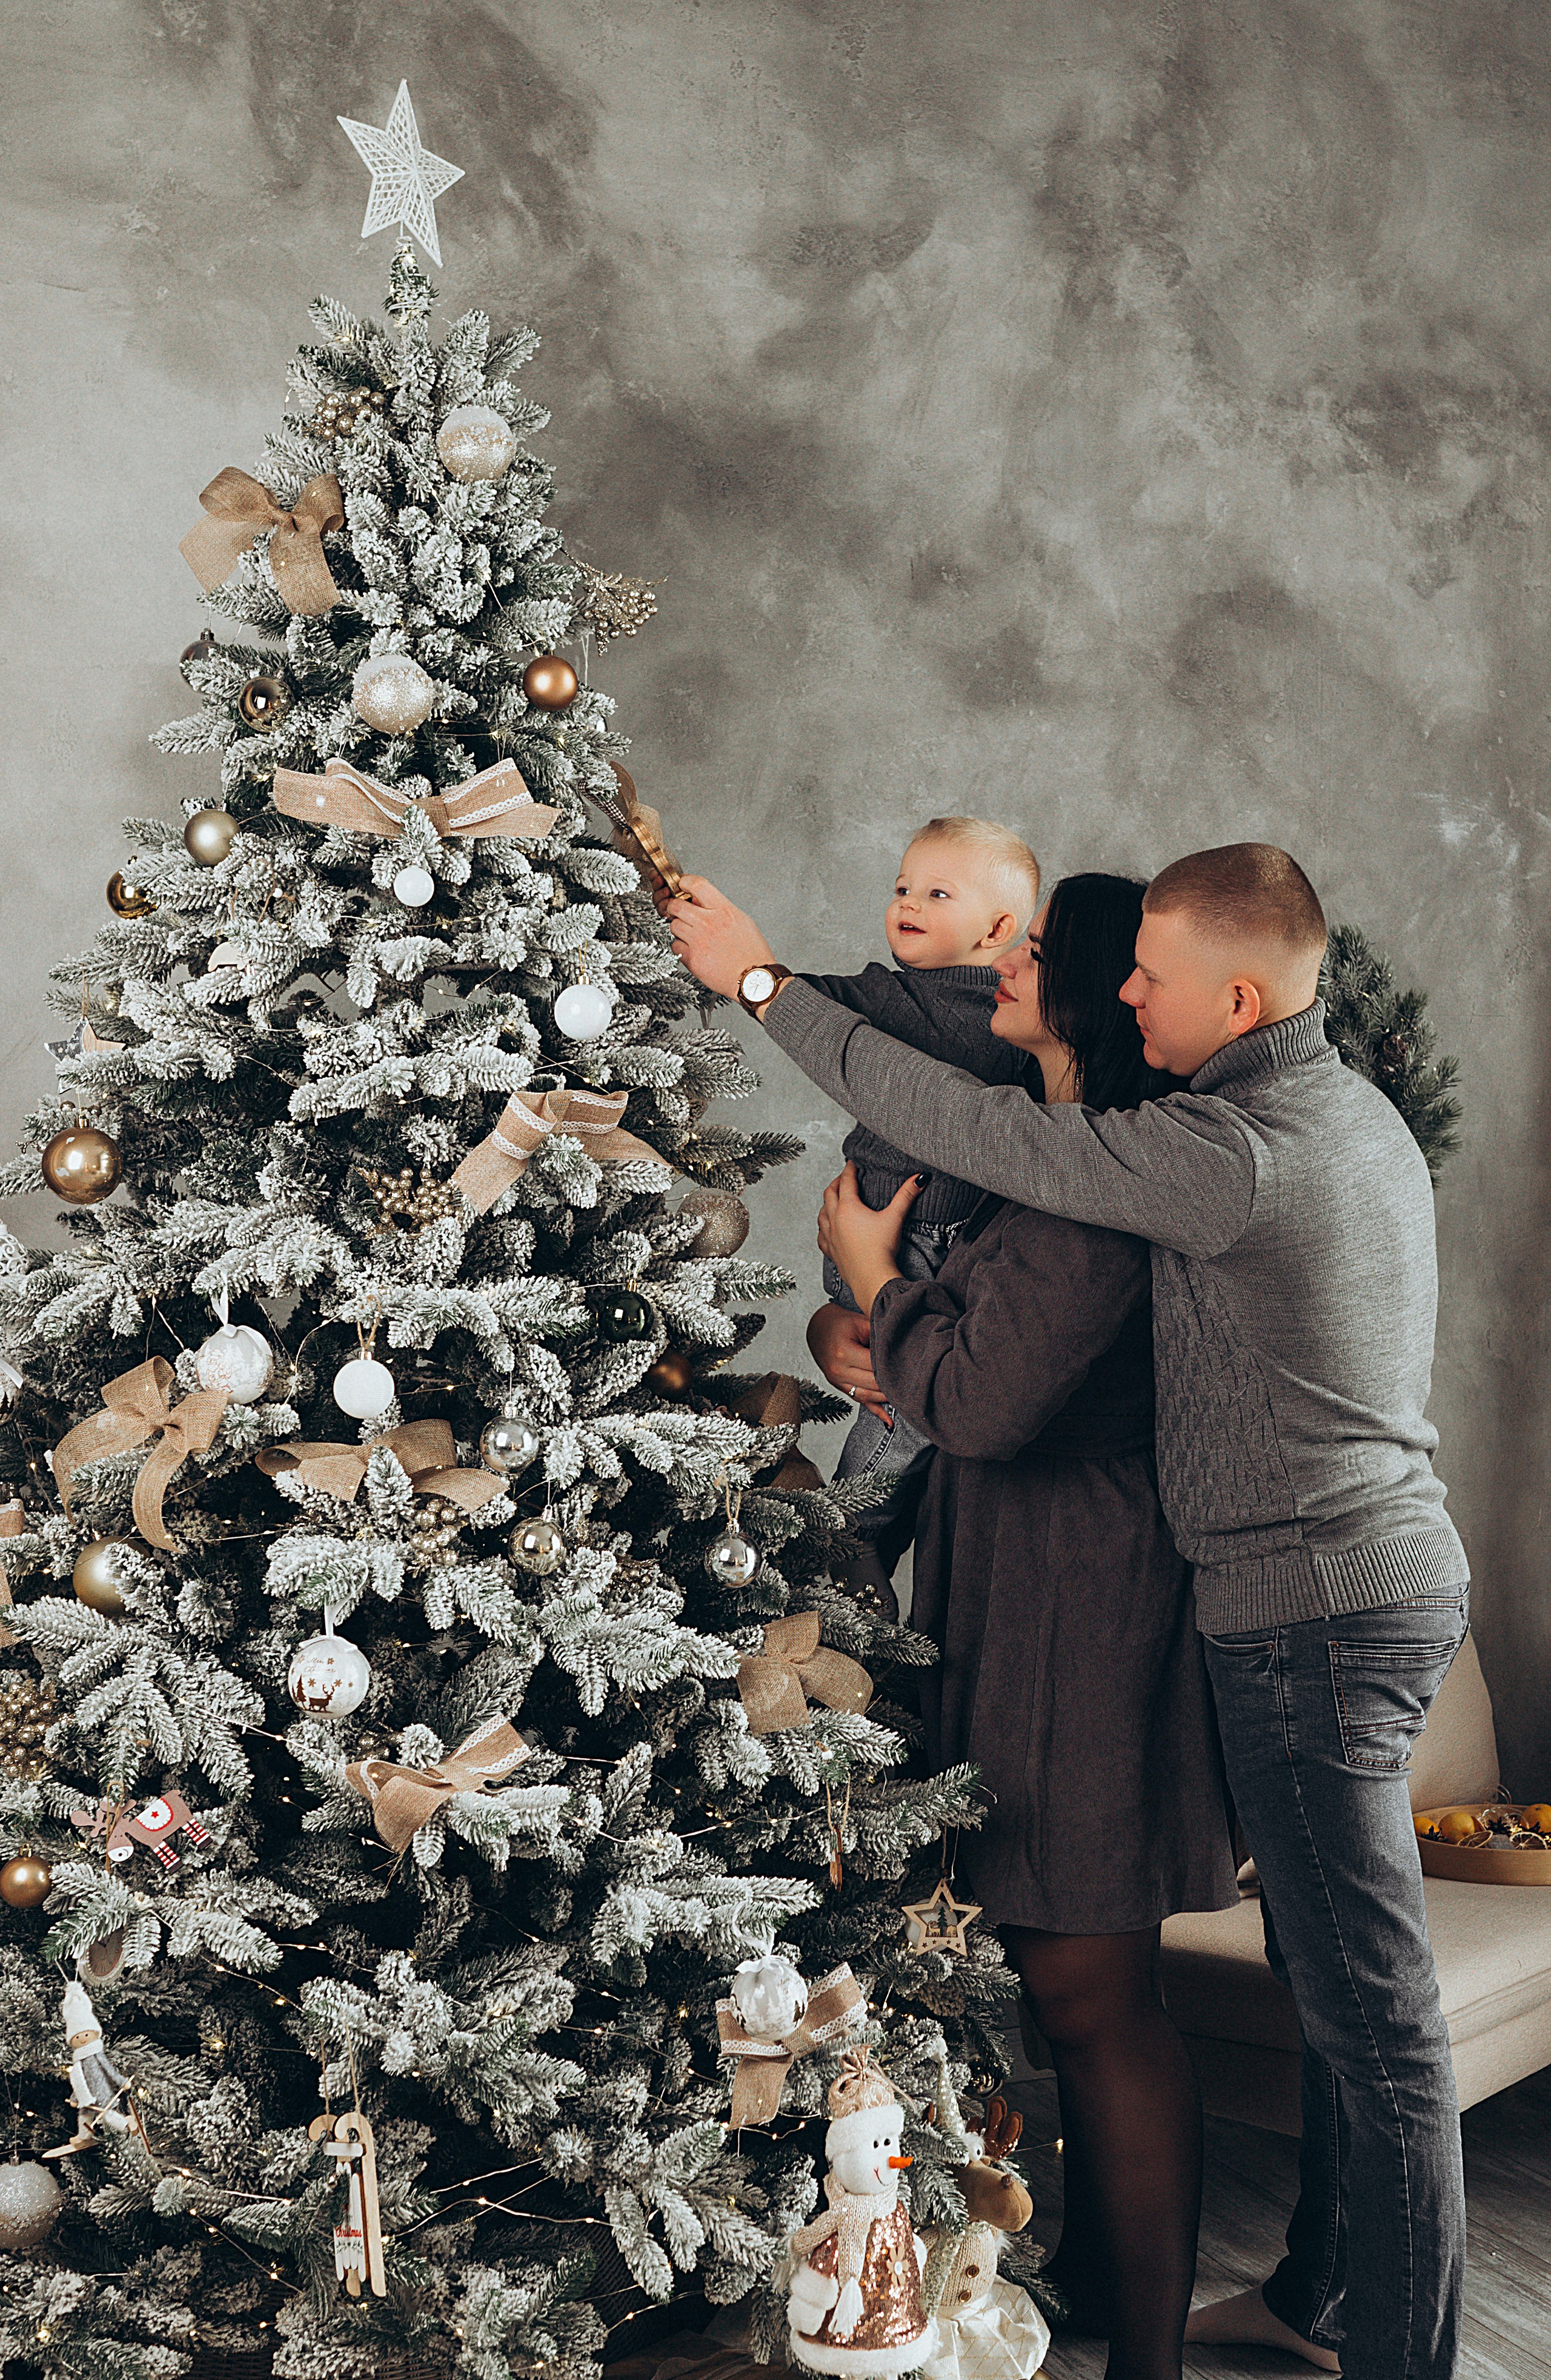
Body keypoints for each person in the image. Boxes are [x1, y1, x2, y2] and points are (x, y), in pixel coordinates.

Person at [666, 845, 1470, 2380]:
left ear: (1236, 997)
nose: (1119, 992)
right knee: (1336, 1993)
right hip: (1347, 1587)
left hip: (1309, 1607)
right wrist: (875, 1315)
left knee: (1374, 2028)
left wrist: (758, 984)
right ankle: (1324, 2300)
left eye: (1144, 975)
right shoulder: (1329, 1108)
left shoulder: (1218, 1147)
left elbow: (966, 1134)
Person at [814, 873, 1238, 2380]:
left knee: (1090, 1984)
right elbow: (939, 1337)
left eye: (1035, 948)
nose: (1006, 954)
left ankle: (1148, 2361)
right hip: (1026, 1576)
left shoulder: (1091, 1186)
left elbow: (984, 1389)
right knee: (1063, 1974)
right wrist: (860, 1322)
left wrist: (870, 1286)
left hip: (1088, 1595)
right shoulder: (1035, 1152)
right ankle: (1123, 2312)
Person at [793, 816, 1042, 1618]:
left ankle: (842, 1603)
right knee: (890, 1419)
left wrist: (751, 977)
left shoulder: (962, 1009)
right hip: (883, 1257)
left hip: (918, 1253)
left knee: (886, 1451)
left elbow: (808, 1010)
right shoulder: (911, 996)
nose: (908, 902)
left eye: (938, 892)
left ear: (999, 928)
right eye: (903, 886)